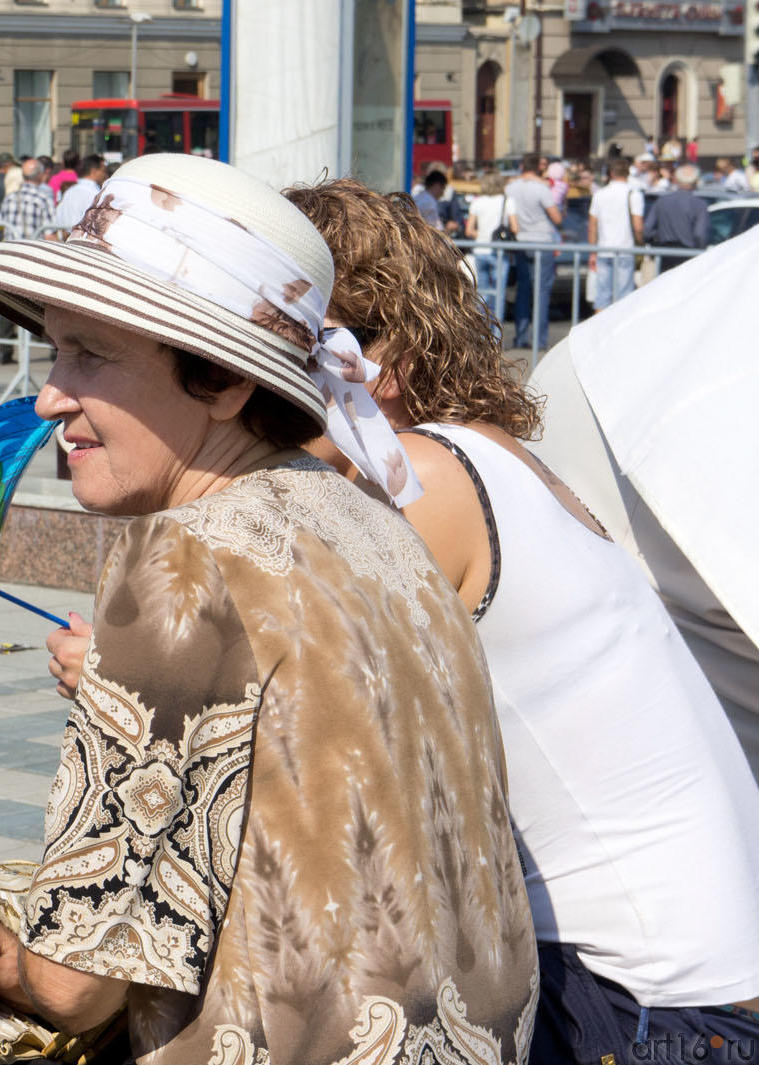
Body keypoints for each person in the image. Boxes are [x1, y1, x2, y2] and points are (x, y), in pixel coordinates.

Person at [0, 153, 538, 1062]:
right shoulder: (367, 519)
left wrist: (12, 970)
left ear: (221, 381)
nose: (53, 395)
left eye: (92, 354)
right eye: (55, 347)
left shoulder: (184, 559)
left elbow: (77, 982)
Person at [287, 177, 759, 1065]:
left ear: (367, 360)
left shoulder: (419, 483)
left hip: (655, 1018)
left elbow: (276, 737)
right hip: (696, 995)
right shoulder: (495, 455)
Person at [0, 157, 56, 364]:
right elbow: (50, 233)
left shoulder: (10, 198)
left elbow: (0, 224)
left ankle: (4, 351)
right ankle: (56, 349)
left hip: (10, 257)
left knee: (8, 304)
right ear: (42, 175)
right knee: (44, 306)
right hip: (33, 259)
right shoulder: (43, 199)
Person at [507, 152, 563, 350]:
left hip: (521, 242)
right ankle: (539, 340)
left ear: (522, 165)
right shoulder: (542, 188)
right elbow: (556, 218)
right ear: (538, 167)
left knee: (523, 290)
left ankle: (520, 337)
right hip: (541, 241)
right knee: (541, 292)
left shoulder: (511, 187)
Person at [587, 157, 645, 312]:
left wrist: (593, 251)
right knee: (624, 297)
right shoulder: (634, 194)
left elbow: (592, 225)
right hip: (625, 249)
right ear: (627, 173)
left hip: (603, 249)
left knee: (602, 296)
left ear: (611, 173)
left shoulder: (600, 194)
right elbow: (638, 226)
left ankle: (599, 331)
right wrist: (641, 243)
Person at [465, 170, 511, 322]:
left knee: (482, 294)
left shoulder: (477, 202)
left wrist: (483, 234)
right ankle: (497, 336)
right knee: (500, 295)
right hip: (498, 251)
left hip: (479, 249)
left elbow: (469, 230)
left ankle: (482, 334)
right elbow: (515, 228)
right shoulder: (507, 201)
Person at [644, 163, 710, 270]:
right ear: (695, 181)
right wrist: (700, 250)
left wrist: (654, 241)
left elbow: (647, 229)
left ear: (677, 180)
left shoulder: (661, 201)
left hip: (663, 254)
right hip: (687, 255)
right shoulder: (700, 205)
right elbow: (700, 234)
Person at [51, 154, 106, 229]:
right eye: (103, 171)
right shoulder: (95, 194)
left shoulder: (70, 191)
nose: (104, 174)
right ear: (94, 171)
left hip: (67, 237)